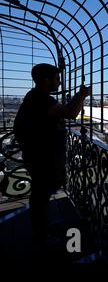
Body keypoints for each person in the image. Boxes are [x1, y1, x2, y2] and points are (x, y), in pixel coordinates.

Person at [13, 63, 91, 254]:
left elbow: (65, 111)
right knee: (41, 195)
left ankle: (42, 230)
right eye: (57, 78)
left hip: (37, 154)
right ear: (47, 80)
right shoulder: (41, 99)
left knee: (40, 194)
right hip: (43, 156)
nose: (60, 82)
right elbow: (71, 113)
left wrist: (79, 96)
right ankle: (42, 236)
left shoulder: (35, 97)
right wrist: (82, 95)